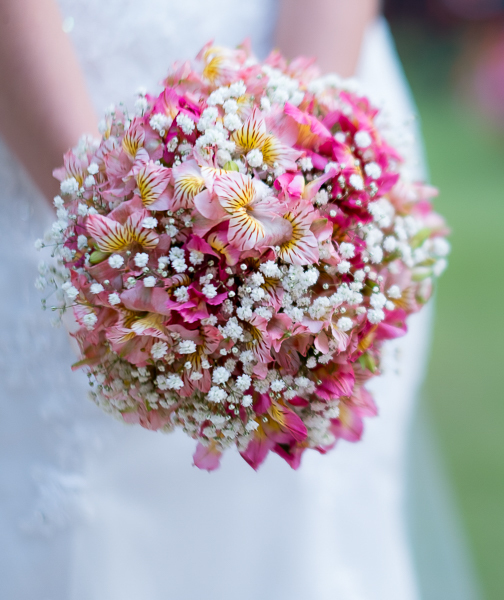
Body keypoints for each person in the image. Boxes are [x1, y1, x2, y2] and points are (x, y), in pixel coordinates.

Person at [0, 1, 443, 598]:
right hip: (53, 111)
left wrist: (310, 162)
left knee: (310, 533)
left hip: (318, 79)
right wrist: (116, 231)